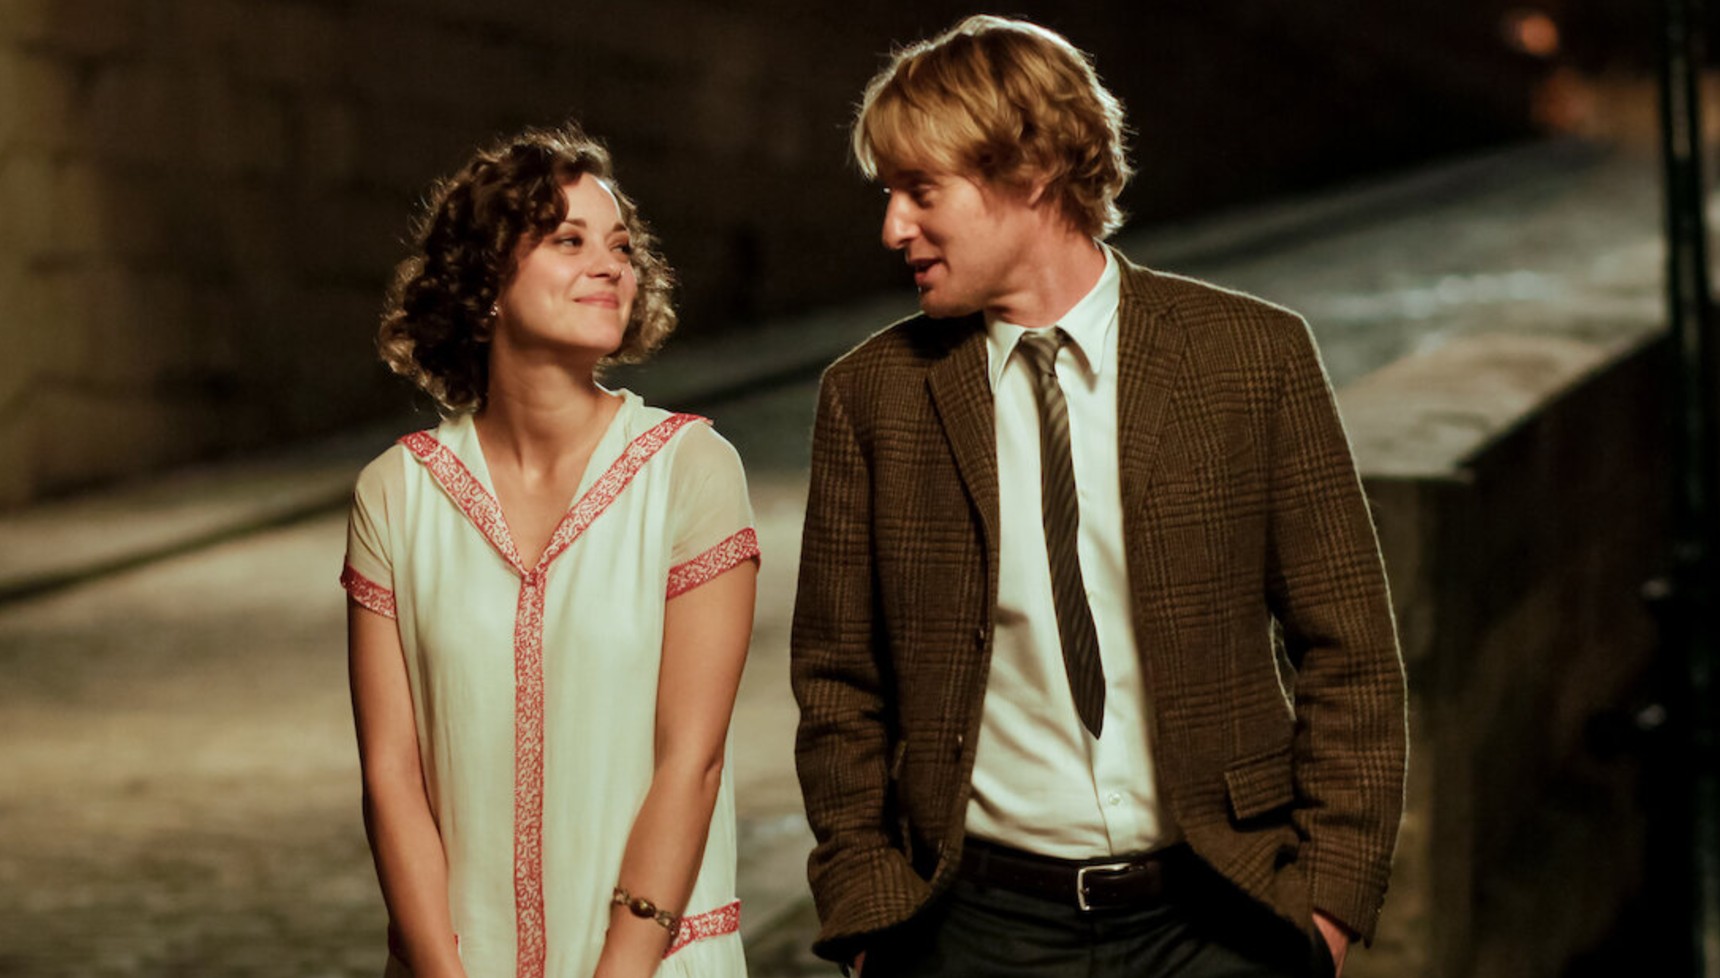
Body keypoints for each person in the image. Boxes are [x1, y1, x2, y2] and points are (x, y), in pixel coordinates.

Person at [791, 16, 1406, 978]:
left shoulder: (1252, 357)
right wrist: (871, 917)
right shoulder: (872, 397)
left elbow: (1350, 649)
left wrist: (1326, 900)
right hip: (972, 928)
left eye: (921, 191)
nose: (892, 228)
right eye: (889, 194)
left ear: (1030, 173)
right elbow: (838, 685)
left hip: (1220, 915)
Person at [341, 123, 759, 978]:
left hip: (653, 966)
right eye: (569, 241)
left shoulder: (690, 470)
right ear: (488, 277)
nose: (609, 265)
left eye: (619, 245)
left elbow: (694, 762)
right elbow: (392, 776)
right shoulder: (396, 494)